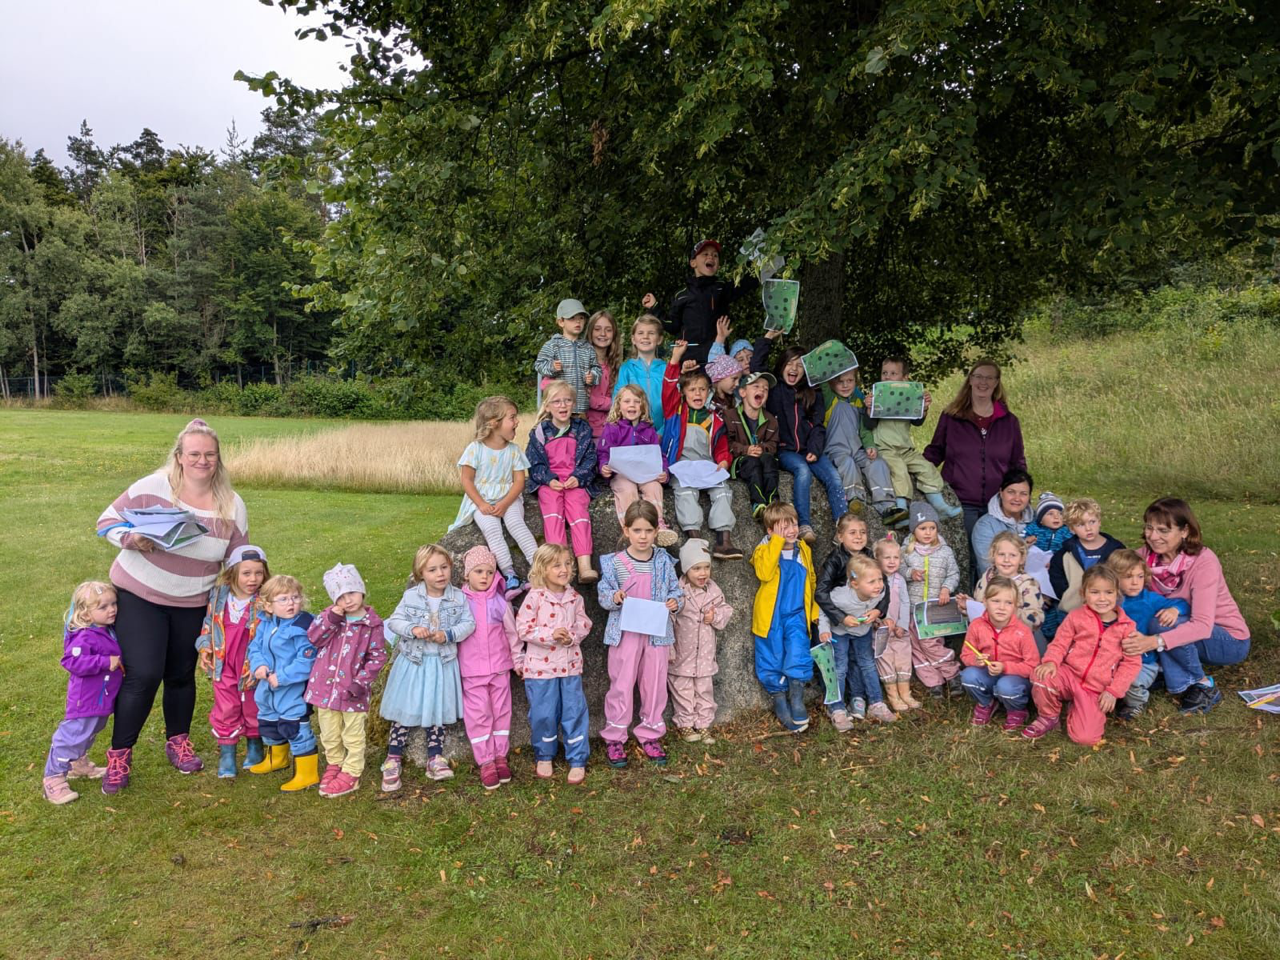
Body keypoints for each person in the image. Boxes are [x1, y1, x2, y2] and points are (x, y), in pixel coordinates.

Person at [95, 418, 249, 793]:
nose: (202, 460)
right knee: (144, 674)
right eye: (194, 454)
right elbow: (106, 521)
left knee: (180, 675)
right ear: (179, 456)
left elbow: (237, 556)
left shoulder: (232, 504)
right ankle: (119, 755)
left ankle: (178, 741)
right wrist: (130, 538)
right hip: (140, 595)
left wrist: (250, 587)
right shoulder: (153, 486)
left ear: (218, 458)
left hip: (193, 601)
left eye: (209, 454)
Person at [1124, 497, 1251, 715]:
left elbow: (1202, 626)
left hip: (1227, 639)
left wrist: (1152, 642)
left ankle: (1203, 685)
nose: (1153, 536)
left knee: (1161, 624)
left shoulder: (1203, 562)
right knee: (1155, 619)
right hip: (1178, 627)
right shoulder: (1142, 557)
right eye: (1149, 528)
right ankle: (1166, 673)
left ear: (1184, 531)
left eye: (1163, 530)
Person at [380, 545, 474, 790]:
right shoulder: (411, 596)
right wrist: (412, 629)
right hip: (414, 661)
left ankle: (435, 756)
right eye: (432, 570)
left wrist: (449, 634)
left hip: (442, 662)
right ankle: (393, 756)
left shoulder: (458, 597)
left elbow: (468, 623)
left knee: (437, 707)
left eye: (444, 567)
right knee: (404, 707)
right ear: (420, 573)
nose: (440, 574)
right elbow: (395, 621)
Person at [598, 502, 684, 768]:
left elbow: (676, 591)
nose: (643, 536)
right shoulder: (614, 563)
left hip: (656, 634)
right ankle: (615, 737)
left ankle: (650, 733)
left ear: (657, 531)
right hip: (625, 634)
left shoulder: (664, 561)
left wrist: (675, 602)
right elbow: (603, 594)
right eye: (637, 530)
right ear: (626, 530)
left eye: (648, 530)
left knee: (654, 684)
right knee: (621, 684)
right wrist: (614, 597)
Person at [923, 360, 1027, 572]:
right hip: (959, 502)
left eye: (989, 378)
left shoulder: (1009, 421)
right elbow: (935, 451)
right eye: (978, 376)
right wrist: (913, 471)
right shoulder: (951, 417)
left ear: (996, 383)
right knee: (965, 560)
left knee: (997, 560)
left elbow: (1017, 463)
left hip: (997, 506)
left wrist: (1021, 496)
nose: (983, 382)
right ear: (970, 380)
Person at [1024, 566, 1140, 745]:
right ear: (1083, 593)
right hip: (1069, 674)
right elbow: (1060, 643)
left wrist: (1113, 691)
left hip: (1095, 687)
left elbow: (1131, 664)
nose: (1102, 598)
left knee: (1085, 738)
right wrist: (1051, 661)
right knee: (1041, 675)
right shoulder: (1076, 617)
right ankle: (1049, 717)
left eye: (1109, 592)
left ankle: (1078, 708)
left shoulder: (1127, 627)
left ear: (1117, 593)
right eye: (1095, 592)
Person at [304, 563, 386, 799]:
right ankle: (335, 762)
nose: (347, 600)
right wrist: (331, 619)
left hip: (352, 691)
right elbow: (314, 638)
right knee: (329, 732)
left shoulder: (372, 624)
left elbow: (377, 657)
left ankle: (352, 771)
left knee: (353, 734)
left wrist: (361, 682)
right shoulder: (330, 618)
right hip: (324, 689)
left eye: (351, 592)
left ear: (361, 590)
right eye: (340, 596)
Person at [515, 543, 592, 785]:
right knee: (543, 714)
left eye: (567, 563)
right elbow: (523, 628)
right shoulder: (535, 597)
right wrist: (550, 634)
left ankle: (577, 758)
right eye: (556, 565)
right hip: (540, 670)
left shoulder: (575, 598)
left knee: (574, 711)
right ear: (542, 569)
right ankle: (544, 754)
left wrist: (572, 637)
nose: (564, 569)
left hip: (570, 667)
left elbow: (584, 624)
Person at [43, 582, 123, 804]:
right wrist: (104, 662)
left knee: (89, 732)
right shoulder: (85, 636)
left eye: (113, 603)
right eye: (103, 607)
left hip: (100, 699)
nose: (112, 609)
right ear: (86, 614)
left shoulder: (105, 630)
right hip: (85, 700)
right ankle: (53, 779)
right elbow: (71, 661)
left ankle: (77, 765)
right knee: (72, 736)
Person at [449, 395, 539, 593]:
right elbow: (467, 480)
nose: (517, 421)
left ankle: (539, 567)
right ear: (493, 423)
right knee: (492, 529)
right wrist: (481, 504)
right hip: (481, 500)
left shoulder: (514, 451)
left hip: (509, 498)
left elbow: (519, 481)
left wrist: (505, 503)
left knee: (516, 524)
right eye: (512, 417)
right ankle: (509, 574)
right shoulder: (475, 449)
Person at [196, 544, 269, 779]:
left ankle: (255, 745)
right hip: (223, 662)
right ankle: (227, 753)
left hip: (251, 663)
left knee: (253, 704)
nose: (253, 579)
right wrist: (204, 645)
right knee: (226, 707)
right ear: (232, 572)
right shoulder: (219, 595)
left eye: (258, 573)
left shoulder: (265, 599)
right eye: (246, 573)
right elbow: (209, 623)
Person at [662, 341, 739, 559]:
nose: (698, 393)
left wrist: (723, 461)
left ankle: (724, 540)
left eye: (702, 389)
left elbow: (722, 445)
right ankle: (694, 538)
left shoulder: (715, 418)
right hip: (681, 465)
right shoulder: (675, 411)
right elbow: (668, 388)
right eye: (692, 389)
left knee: (723, 490)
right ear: (683, 392)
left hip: (706, 465)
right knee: (686, 492)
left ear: (709, 392)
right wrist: (675, 360)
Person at [766, 346, 849, 545]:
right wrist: (767, 340)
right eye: (790, 363)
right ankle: (804, 524)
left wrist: (815, 449)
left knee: (833, 477)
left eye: (800, 365)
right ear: (781, 365)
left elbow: (818, 426)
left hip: (810, 449)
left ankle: (844, 527)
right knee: (803, 471)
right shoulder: (774, 391)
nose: (794, 368)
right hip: (786, 450)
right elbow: (757, 366)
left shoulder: (813, 393)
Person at [751, 502, 820, 734]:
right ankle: (779, 699)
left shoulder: (804, 549)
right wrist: (776, 543)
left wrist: (814, 610)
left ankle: (797, 698)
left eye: (794, 525)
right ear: (770, 531)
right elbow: (764, 573)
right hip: (770, 616)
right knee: (770, 657)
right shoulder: (763, 551)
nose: (791, 531)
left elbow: (811, 579)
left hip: (797, 614)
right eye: (783, 528)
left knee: (798, 652)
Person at [246, 575, 319, 792]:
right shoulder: (266, 623)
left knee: (294, 726)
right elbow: (255, 647)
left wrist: (283, 676)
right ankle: (277, 758)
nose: (291, 603)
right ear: (268, 605)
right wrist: (258, 665)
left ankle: (307, 773)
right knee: (268, 721)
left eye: (295, 597)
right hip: (267, 687)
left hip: (291, 689)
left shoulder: (303, 627)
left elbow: (307, 659)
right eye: (284, 599)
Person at [641, 238, 760, 369]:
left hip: (717, 357)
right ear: (693, 263)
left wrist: (764, 254)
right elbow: (673, 326)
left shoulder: (722, 288)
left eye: (715, 255)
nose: (711, 257)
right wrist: (654, 307)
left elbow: (749, 281)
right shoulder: (682, 294)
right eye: (705, 254)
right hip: (689, 360)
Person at [866, 356, 960, 521]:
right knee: (899, 469)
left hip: (906, 448)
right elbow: (868, 424)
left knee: (926, 467)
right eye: (884, 373)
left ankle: (939, 504)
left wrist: (923, 408)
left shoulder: (908, 396)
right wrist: (869, 408)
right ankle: (901, 507)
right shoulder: (877, 396)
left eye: (893, 373)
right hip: (885, 447)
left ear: (905, 378)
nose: (887, 377)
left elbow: (917, 421)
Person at [457, 546, 519, 790]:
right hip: (471, 671)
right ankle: (485, 760)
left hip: (500, 669)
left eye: (490, 572)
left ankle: (500, 756)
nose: (484, 577)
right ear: (467, 574)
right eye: (478, 571)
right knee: (478, 715)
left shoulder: (500, 603)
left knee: (502, 712)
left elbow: (512, 634)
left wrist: (518, 661)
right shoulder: (459, 603)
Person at [527, 381, 600, 583]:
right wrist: (549, 480)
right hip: (551, 483)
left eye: (567, 400)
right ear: (547, 406)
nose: (562, 405)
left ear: (573, 404)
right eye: (556, 401)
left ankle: (584, 565)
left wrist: (579, 477)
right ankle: (559, 566)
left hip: (575, 480)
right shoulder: (540, 432)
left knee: (579, 512)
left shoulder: (581, 428)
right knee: (552, 514)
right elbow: (534, 463)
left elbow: (590, 458)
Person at [1105, 549, 1188, 722]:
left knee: (1130, 681)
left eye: (1140, 576)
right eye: (1128, 577)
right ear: (1113, 577)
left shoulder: (1149, 599)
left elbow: (1182, 603)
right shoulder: (1107, 600)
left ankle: (1136, 703)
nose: (1135, 582)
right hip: (1110, 658)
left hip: (1143, 661)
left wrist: (1174, 610)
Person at [817, 553, 897, 725]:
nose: (878, 585)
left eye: (879, 579)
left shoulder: (880, 592)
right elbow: (823, 609)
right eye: (872, 582)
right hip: (839, 632)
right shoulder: (840, 596)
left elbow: (882, 603)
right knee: (840, 668)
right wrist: (824, 629)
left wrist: (879, 614)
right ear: (854, 584)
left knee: (867, 664)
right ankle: (836, 708)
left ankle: (876, 703)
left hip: (862, 632)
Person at [669, 538, 734, 743]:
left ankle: (704, 724)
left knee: (705, 691)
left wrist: (714, 616)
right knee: (683, 690)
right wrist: (669, 647)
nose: (703, 573)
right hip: (682, 654)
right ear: (686, 569)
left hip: (705, 655)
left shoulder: (714, 591)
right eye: (696, 568)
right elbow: (669, 620)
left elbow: (726, 610)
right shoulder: (678, 592)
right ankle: (686, 724)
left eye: (706, 567)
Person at [597, 384, 677, 545]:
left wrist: (663, 472)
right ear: (619, 405)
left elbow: (658, 455)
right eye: (627, 401)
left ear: (643, 406)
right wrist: (604, 466)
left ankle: (656, 523)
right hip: (621, 474)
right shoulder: (612, 428)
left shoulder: (648, 429)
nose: (632, 405)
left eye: (636, 401)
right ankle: (632, 526)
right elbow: (603, 452)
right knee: (627, 489)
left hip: (645, 473)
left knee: (654, 487)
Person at [959, 575, 1040, 731]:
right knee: (968, 676)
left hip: (1015, 679)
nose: (1001, 607)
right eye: (995, 601)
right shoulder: (976, 625)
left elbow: (1033, 665)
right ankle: (986, 703)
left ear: (1015, 606)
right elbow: (966, 654)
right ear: (985, 602)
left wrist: (1005, 667)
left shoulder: (1023, 632)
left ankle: (1017, 710)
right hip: (987, 674)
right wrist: (976, 660)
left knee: (1006, 686)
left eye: (1008, 603)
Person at [823, 368, 901, 524]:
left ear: (856, 382)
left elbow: (864, 428)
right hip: (836, 449)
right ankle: (855, 499)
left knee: (877, 463)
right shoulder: (829, 398)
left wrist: (870, 445)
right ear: (832, 383)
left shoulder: (859, 400)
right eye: (840, 382)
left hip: (857, 448)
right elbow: (823, 379)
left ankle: (887, 505)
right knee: (848, 463)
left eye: (850, 381)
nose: (845, 385)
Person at [902, 502, 963, 698]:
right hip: (913, 609)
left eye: (932, 528)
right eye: (922, 528)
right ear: (914, 530)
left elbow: (953, 573)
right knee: (916, 648)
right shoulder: (907, 551)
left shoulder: (945, 551)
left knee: (931, 643)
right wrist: (911, 573)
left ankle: (952, 673)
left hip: (936, 609)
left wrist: (946, 588)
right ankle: (933, 681)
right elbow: (898, 570)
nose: (928, 532)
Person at [1045, 497, 1126, 636]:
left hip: (1108, 611)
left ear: (1099, 521)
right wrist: (1067, 594)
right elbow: (1056, 576)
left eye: (1092, 522)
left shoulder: (1116, 549)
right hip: (1072, 611)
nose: (1088, 528)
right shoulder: (1066, 552)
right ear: (1071, 529)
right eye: (1080, 525)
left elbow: (1124, 573)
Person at [969, 531, 1046, 646]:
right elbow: (980, 606)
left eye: (1013, 555)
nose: (1006, 560)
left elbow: (1036, 621)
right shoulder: (987, 577)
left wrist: (1011, 612)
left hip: (1016, 644)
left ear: (1022, 559)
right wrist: (968, 606)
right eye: (1001, 554)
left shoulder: (1028, 585)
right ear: (993, 555)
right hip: (987, 641)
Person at [725, 371, 780, 521]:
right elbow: (727, 442)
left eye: (765, 389)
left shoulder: (771, 420)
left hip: (762, 457)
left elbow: (773, 444)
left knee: (769, 459)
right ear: (742, 392)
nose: (761, 390)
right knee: (752, 462)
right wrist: (745, 450)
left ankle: (774, 501)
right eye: (756, 386)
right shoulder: (730, 416)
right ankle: (758, 503)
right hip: (741, 460)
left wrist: (762, 448)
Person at [873, 536, 919, 711]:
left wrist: (902, 624)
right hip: (881, 630)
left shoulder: (900, 580)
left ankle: (905, 693)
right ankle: (893, 695)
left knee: (902, 657)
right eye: (887, 557)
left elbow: (905, 603)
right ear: (877, 559)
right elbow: (869, 603)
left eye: (896, 557)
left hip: (899, 630)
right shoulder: (874, 579)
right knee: (886, 660)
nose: (892, 561)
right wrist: (878, 621)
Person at [534, 298, 601, 415]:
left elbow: (597, 368)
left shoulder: (587, 347)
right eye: (572, 318)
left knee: (580, 427)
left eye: (581, 318)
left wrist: (593, 376)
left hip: (581, 406)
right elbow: (539, 365)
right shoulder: (553, 345)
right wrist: (552, 367)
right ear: (561, 322)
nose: (578, 321)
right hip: (559, 407)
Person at [971, 468, 1035, 580]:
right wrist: (1022, 547)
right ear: (1001, 492)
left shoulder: (1039, 520)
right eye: (1011, 492)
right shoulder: (985, 525)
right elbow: (988, 566)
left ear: (1029, 496)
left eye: (1023, 494)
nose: (1017, 498)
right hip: (998, 585)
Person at [614, 313, 669, 438]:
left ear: (659, 339)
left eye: (651, 333)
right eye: (640, 333)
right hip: (633, 433)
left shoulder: (666, 369)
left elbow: (674, 404)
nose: (645, 337)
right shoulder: (627, 369)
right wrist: (630, 431)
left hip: (663, 433)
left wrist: (662, 432)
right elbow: (617, 402)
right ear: (633, 339)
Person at [586, 310, 622, 438]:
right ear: (590, 332)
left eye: (608, 330)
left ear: (614, 334)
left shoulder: (617, 366)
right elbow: (582, 399)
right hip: (586, 431)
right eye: (597, 329)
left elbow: (621, 401)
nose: (603, 334)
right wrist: (613, 403)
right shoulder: (582, 362)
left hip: (611, 432)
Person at [705, 354, 743, 419]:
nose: (737, 384)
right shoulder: (705, 398)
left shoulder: (737, 400)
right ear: (720, 377)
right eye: (734, 379)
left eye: (739, 380)